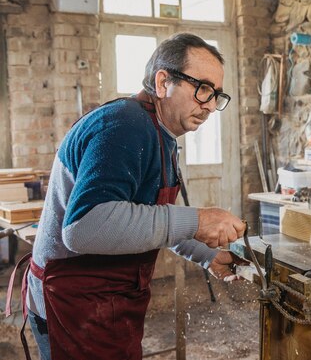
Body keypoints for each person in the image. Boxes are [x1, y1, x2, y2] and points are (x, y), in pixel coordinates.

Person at [7, 33, 247, 360]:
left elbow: (147, 217)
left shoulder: (159, 134)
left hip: (107, 301)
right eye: (202, 88)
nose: (209, 105)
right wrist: (199, 219)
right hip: (73, 303)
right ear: (163, 82)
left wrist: (206, 254)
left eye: (216, 94)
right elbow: (84, 227)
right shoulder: (125, 125)